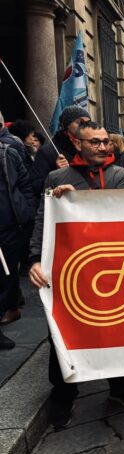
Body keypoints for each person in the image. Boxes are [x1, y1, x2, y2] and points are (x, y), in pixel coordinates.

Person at [28, 121, 124, 428]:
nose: (103, 146)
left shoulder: (122, 176)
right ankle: (63, 395)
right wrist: (35, 259)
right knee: (63, 332)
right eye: (95, 142)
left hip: (113, 268)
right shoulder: (57, 177)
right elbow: (44, 219)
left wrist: (80, 201)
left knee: (117, 328)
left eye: (106, 141)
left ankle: (120, 386)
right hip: (71, 269)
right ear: (77, 144)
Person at [0, 139, 37, 346]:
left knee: (6, 274)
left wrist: (26, 213)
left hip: (8, 224)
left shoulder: (8, 153)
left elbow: (25, 185)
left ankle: (7, 308)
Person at [30, 106, 91, 195]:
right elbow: (36, 187)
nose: (85, 126)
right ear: (66, 125)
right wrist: (58, 174)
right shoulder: (47, 151)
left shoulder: (91, 148)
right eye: (79, 122)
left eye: (88, 123)